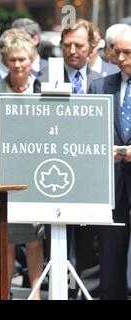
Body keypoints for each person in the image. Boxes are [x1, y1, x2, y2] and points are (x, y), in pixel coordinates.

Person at [0, 29, 44, 299]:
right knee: (7, 239)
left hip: (36, 173)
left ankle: (34, 293)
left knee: (34, 240)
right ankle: (5, 292)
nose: (18, 65)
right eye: (13, 60)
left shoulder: (44, 87)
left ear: (33, 59)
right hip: (3, 172)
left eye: (23, 59)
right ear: (5, 61)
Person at [88, 25, 131, 300]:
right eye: (118, 52)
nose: (123, 58)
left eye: (129, 52)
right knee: (111, 255)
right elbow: (87, 133)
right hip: (111, 183)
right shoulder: (100, 86)